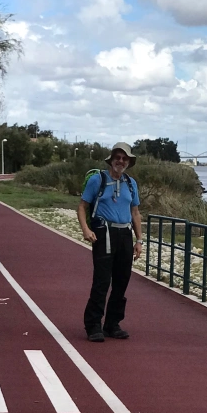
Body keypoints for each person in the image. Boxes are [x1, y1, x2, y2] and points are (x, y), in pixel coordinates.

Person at [78, 142, 143, 342]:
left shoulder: (131, 184)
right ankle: (93, 325)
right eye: (117, 157)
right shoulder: (98, 180)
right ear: (111, 159)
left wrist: (139, 240)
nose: (120, 161)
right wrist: (86, 229)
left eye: (124, 158)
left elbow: (135, 212)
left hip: (125, 235)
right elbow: (82, 206)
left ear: (128, 162)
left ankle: (113, 324)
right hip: (103, 233)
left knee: (122, 281)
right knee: (102, 281)